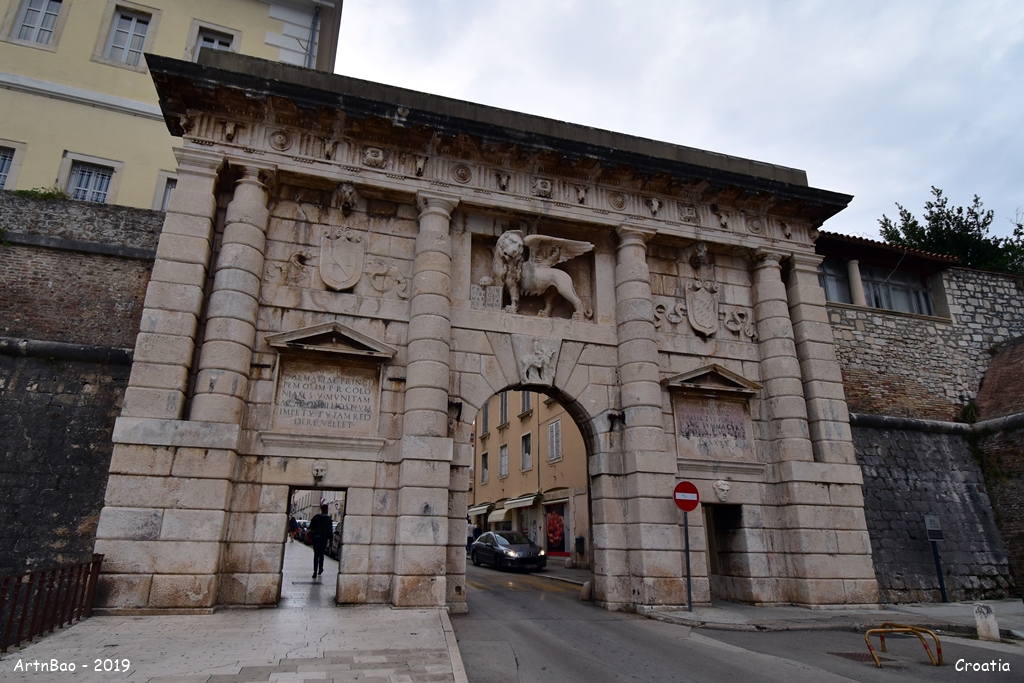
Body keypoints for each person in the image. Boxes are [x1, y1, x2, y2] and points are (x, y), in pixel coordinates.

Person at [309, 504, 333, 579]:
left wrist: (313, 536)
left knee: (316, 555)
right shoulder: (328, 519)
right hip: (324, 538)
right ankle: (320, 568)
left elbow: (310, 527)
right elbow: (330, 531)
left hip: (316, 538)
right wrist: (331, 540)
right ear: (326, 510)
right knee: (322, 554)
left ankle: (315, 571)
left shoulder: (316, 517)